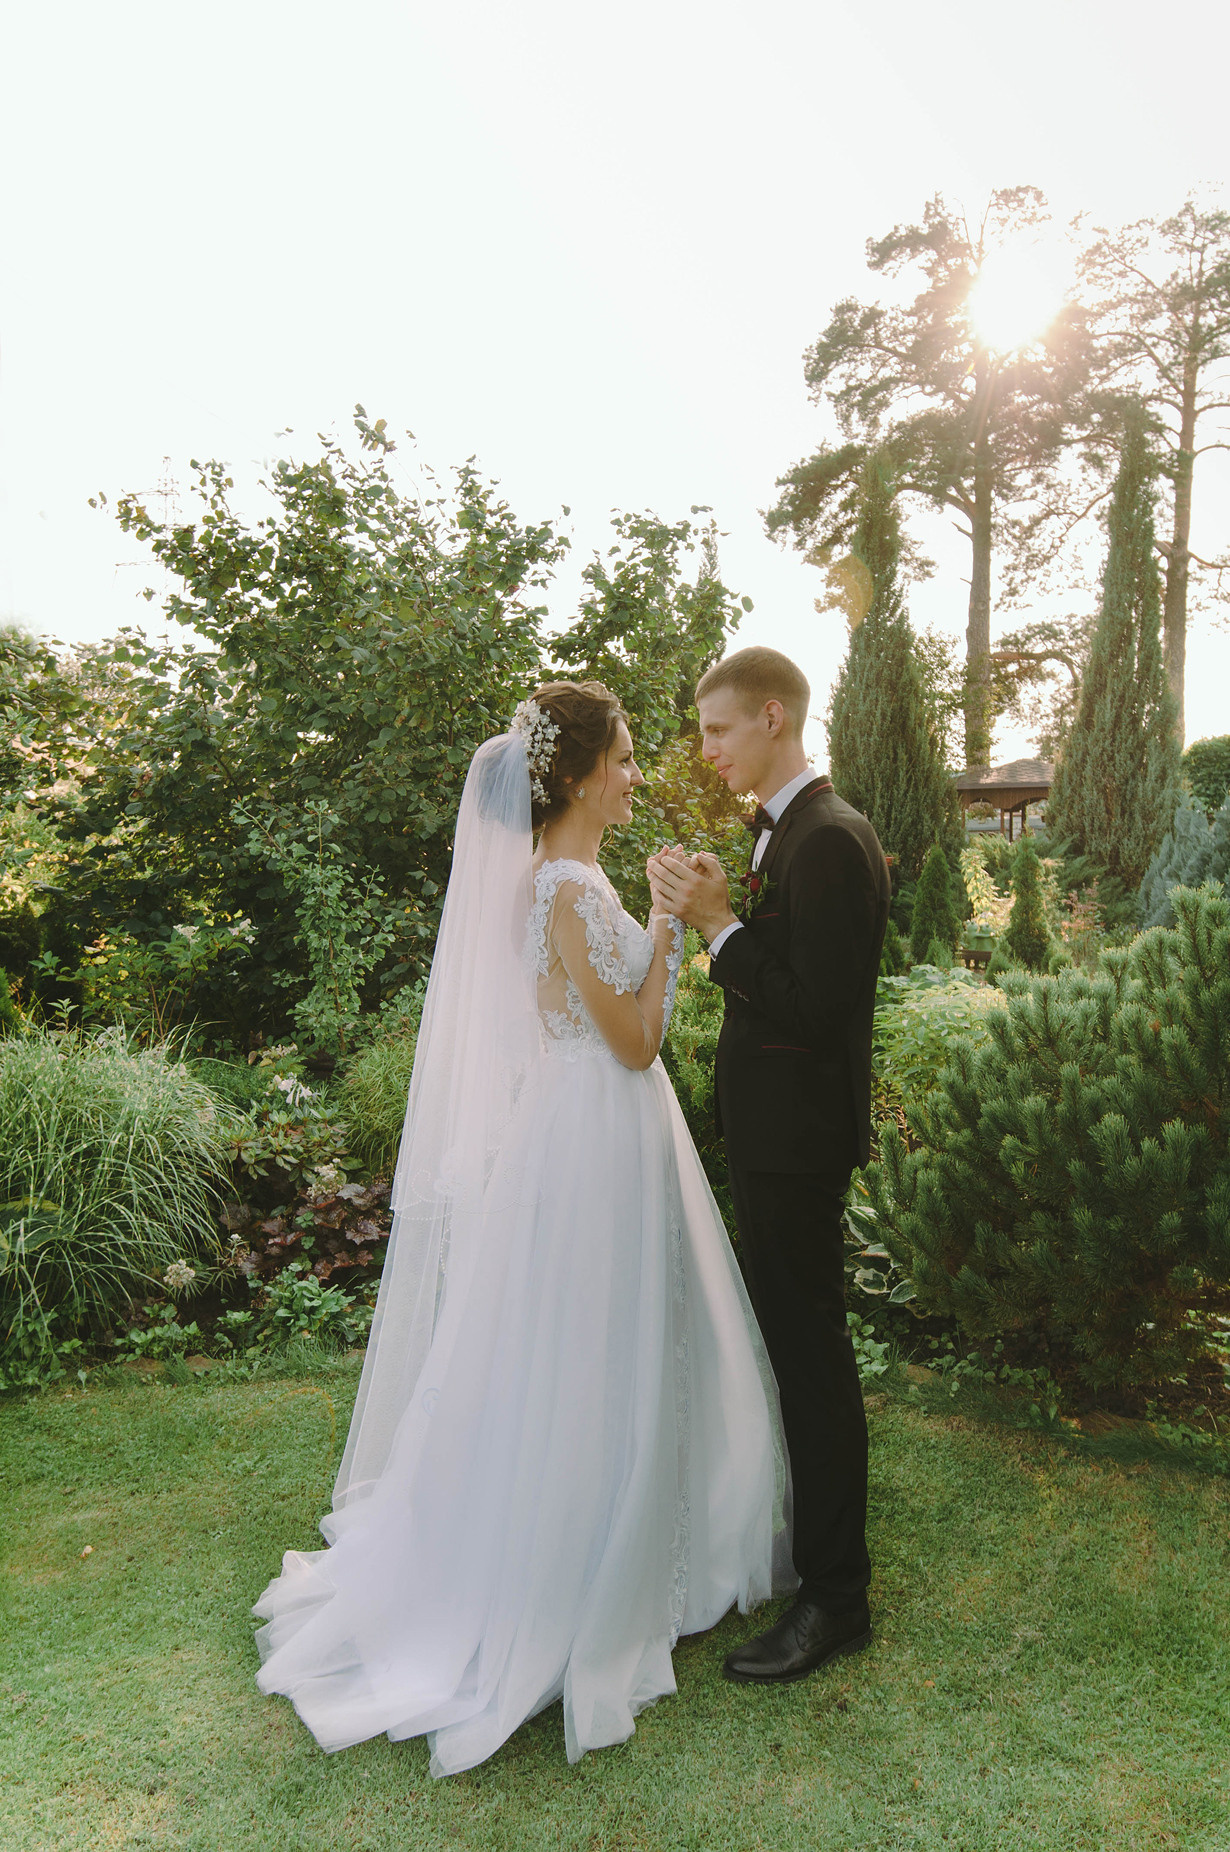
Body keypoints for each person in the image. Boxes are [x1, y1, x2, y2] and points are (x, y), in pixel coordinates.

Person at [252, 680, 794, 1776]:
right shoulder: (569, 887)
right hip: (601, 1132)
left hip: (581, 1128)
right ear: (580, 775)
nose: (637, 774)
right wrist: (670, 928)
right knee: (601, 1343)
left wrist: (649, 921)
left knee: (581, 1342)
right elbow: (635, 1044)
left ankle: (622, 1527)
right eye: (626, 758)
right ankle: (592, 1557)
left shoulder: (552, 880)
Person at [648, 646, 890, 1685]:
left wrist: (717, 925)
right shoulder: (784, 831)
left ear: (773, 716)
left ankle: (837, 1597)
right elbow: (782, 973)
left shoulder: (828, 838)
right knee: (795, 1350)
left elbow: (815, 1011)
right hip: (773, 1137)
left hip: (797, 1144)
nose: (707, 749)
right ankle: (815, 1551)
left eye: (718, 729)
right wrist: (727, 913)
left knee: (812, 1359)